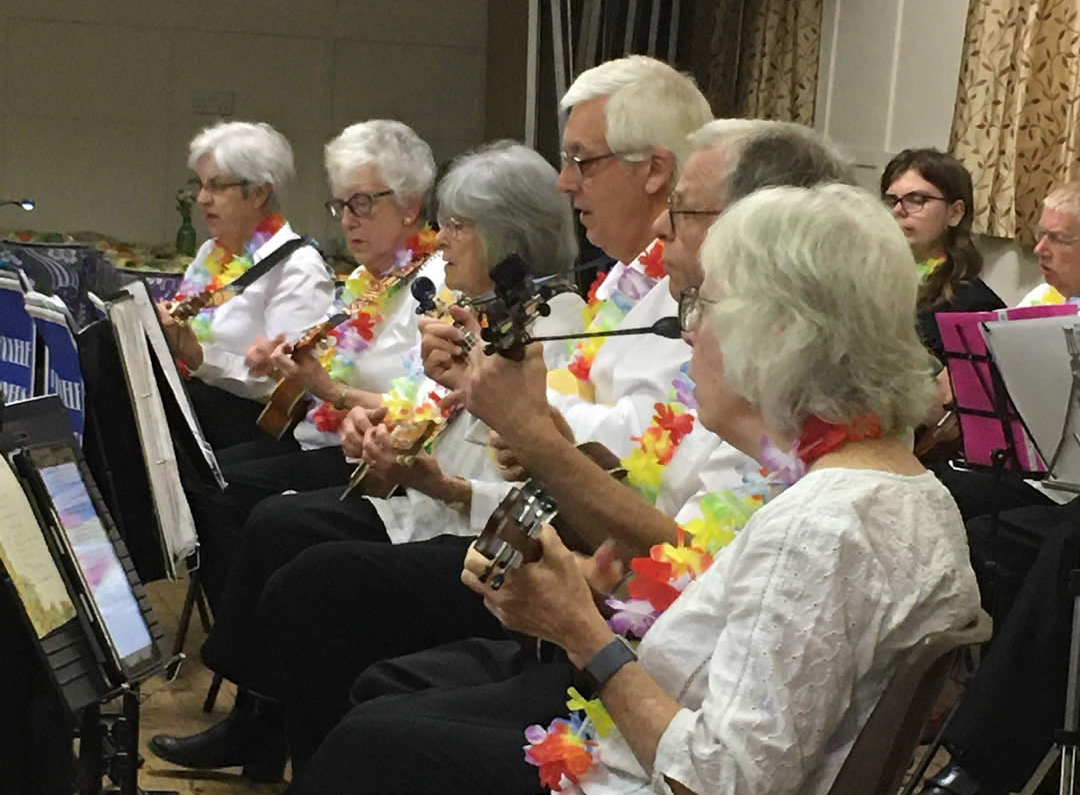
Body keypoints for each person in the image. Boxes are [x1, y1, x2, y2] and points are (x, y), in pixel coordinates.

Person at [289, 183, 984, 795]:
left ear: (777, 335)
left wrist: (583, 633)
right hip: (628, 744)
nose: (689, 336)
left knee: (370, 743)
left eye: (701, 308)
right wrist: (585, 595)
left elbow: (719, 782)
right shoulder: (899, 486)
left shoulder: (822, 527)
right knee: (384, 717)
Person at [258, 114, 858, 778]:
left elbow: (719, 714)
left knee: (341, 651)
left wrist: (580, 609)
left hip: (634, 693)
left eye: (681, 210)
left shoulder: (805, 463)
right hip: (610, 631)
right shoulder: (745, 394)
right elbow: (668, 548)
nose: (661, 228)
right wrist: (489, 477)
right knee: (356, 662)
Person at [148, 141, 583, 781]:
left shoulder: (543, 324)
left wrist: (375, 428)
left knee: (288, 545)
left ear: (505, 235)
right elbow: (425, 412)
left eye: (457, 226)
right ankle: (274, 730)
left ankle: (294, 744)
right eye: (341, 204)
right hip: (424, 494)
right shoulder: (460, 308)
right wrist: (381, 436)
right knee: (264, 519)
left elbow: (524, 476)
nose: (445, 239)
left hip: (476, 529)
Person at [182, 119, 442, 610]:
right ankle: (245, 626)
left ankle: (252, 638)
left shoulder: (432, 284)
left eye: (362, 203)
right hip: (324, 440)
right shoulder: (368, 279)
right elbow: (323, 361)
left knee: (223, 491)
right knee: (205, 478)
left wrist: (326, 389)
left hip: (381, 464)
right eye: (341, 205)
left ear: (410, 204)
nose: (348, 219)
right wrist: (281, 359)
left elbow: (427, 406)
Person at [916, 183, 1080, 795]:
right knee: (948, 501)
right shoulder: (1040, 305)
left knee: (1060, 549)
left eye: (1057, 239)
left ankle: (986, 757)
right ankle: (922, 687)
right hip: (1050, 477)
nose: (1038, 248)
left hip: (1065, 495)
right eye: (1039, 233)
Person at [158, 120, 334, 449]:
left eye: (216, 187)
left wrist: (200, 359)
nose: (202, 199)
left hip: (249, 425)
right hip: (200, 403)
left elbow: (287, 389)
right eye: (200, 185)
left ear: (258, 192)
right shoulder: (211, 251)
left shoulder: (298, 267)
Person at [881, 148, 1004, 364]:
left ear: (955, 213)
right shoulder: (867, 280)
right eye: (892, 200)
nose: (898, 210)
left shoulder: (973, 304)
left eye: (917, 199)